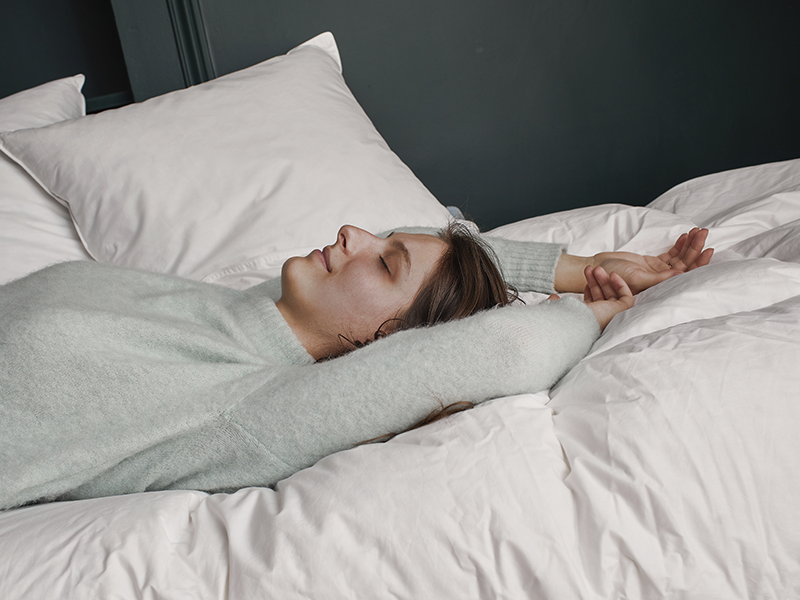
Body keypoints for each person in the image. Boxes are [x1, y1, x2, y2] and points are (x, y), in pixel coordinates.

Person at [0, 223, 712, 510]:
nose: (353, 232)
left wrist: (592, 311)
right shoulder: (241, 311)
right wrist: (579, 264)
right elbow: (432, 241)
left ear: (389, 342)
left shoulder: (248, 408)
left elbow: (503, 348)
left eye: (383, 259)